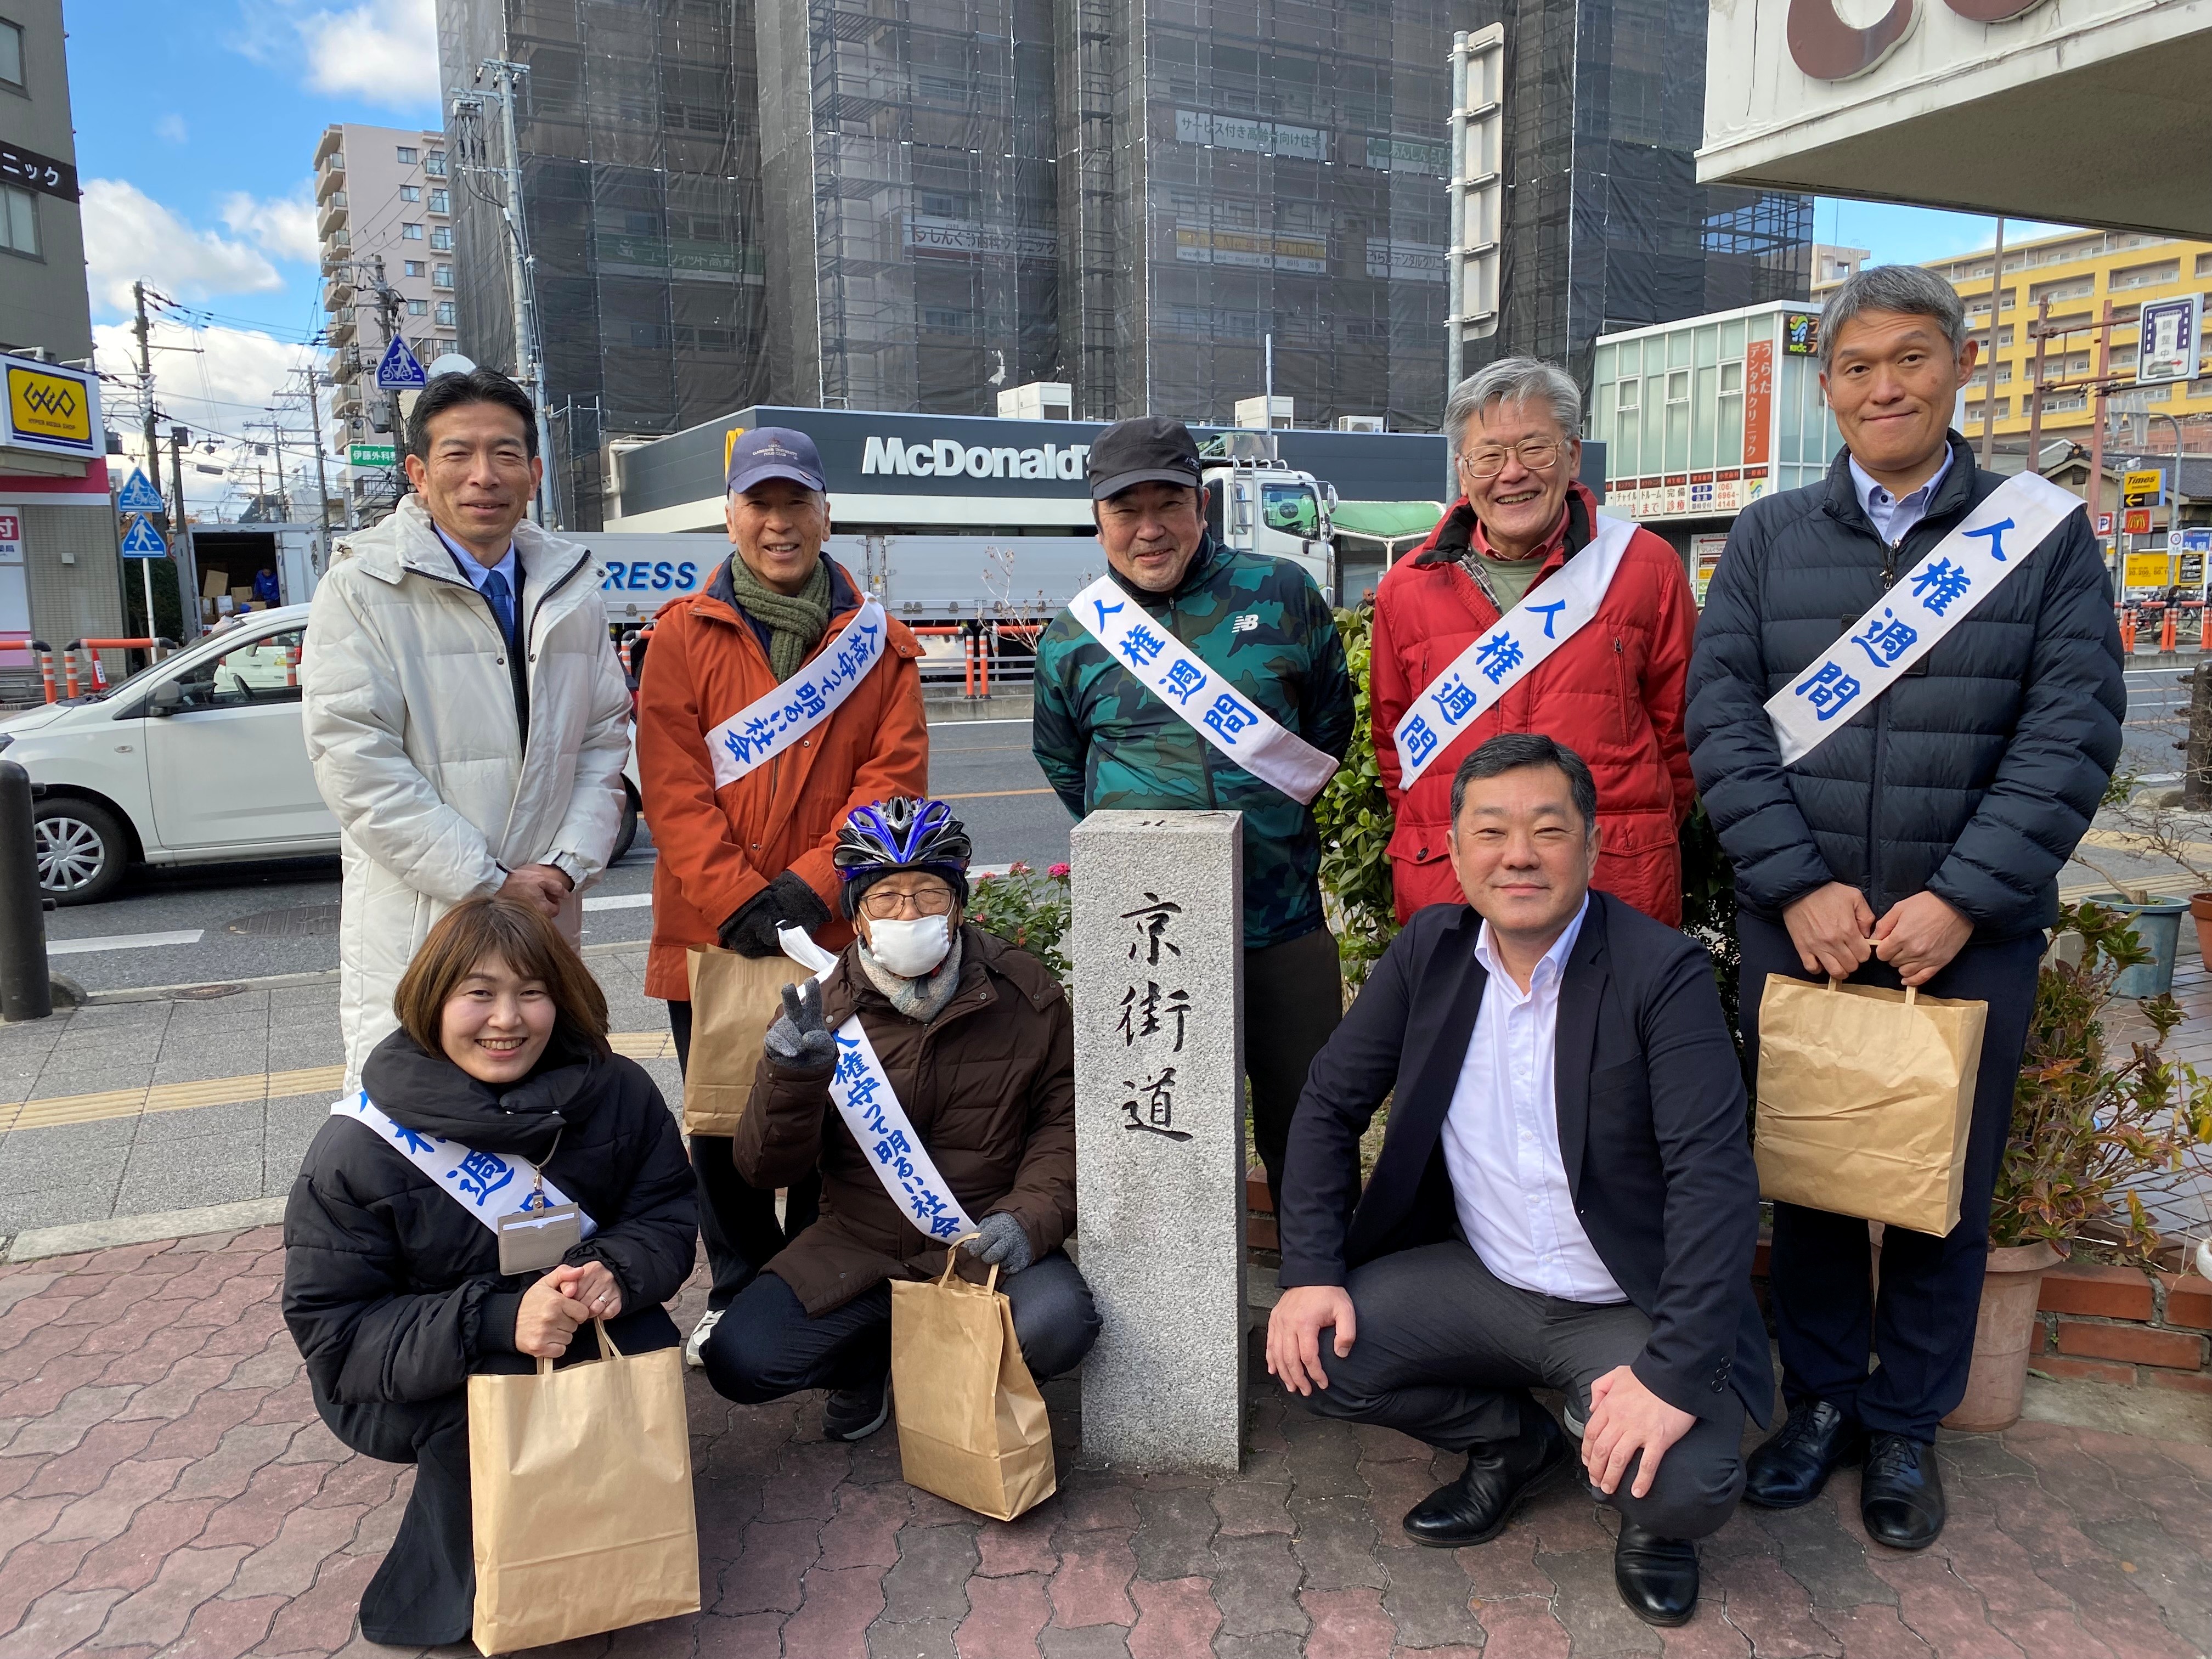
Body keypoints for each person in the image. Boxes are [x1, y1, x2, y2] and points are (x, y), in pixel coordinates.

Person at [1687, 263, 2125, 1550]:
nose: (1887, 385)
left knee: (1945, 1184)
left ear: (1960, 368)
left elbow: (2069, 734)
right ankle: (1821, 1401)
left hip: (1967, 932)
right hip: (1803, 925)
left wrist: (1960, 897)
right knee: (1818, 1178)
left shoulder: (2040, 536)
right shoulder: (1768, 538)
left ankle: (1910, 1426)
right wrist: (1795, 884)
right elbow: (1722, 726)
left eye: (1912, 359)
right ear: (1826, 387)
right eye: (1859, 365)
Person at [1268, 734, 1768, 1628]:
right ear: (1455, 852)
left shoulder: (1661, 974)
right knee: (1316, 1357)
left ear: (1592, 845)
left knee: (1688, 1486)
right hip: (1482, 1279)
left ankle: (1645, 1514)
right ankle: (1512, 1440)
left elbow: (1713, 1180)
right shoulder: (1432, 950)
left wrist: (1667, 1372)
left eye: (1546, 828)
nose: (1518, 854)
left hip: (1621, 1298)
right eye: (1490, 831)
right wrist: (1308, 1270)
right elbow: (1327, 1102)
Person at [281, 897, 696, 1648]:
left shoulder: (619, 1092)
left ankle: (604, 1539)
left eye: (531, 992)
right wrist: (499, 1321)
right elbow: (336, 1337)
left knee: (643, 1352)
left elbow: (668, 1210)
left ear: (561, 999)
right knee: (485, 1409)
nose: (506, 1018)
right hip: (416, 1373)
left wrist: (618, 1269)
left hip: (578, 1320)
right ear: (430, 1001)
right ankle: (451, 1599)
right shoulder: (357, 1148)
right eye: (478, 993)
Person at [635, 427, 929, 1365]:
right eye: (759, 503)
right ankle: (737, 1288)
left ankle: (812, 1297)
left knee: (829, 1125)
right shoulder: (682, 636)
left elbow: (894, 779)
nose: (777, 522)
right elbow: (671, 784)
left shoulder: (877, 643)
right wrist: (734, 898)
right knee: (722, 1127)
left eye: (795, 502)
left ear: (825, 513)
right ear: (730, 515)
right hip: (710, 931)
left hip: (831, 928)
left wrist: (804, 887)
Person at [1032, 415, 1357, 1215]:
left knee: (1311, 1134)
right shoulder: (1073, 638)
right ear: (1098, 519)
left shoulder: (1281, 595)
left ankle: (1325, 1304)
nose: (1149, 529)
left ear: (1201, 503)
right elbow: (1067, 766)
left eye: (1168, 503)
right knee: (1164, 1141)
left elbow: (1326, 732)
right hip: (1152, 940)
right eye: (1125, 509)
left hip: (1280, 926)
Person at [701, 795, 1097, 1439]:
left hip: (982, 1237)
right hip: (858, 1243)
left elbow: (1065, 1124)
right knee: (740, 1360)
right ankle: (871, 1364)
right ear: (857, 916)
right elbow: (764, 1168)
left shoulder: (1025, 993)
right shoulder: (814, 1011)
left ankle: (947, 1371)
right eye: (886, 897)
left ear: (959, 906)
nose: (907, 913)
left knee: (1058, 1326)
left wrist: (1027, 1219)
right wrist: (791, 1078)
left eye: (927, 895)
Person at [303, 368, 633, 1092]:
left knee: (543, 1115)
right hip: (423, 923)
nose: (483, 475)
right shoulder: (362, 588)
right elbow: (355, 763)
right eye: (458, 454)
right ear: (419, 473)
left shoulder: (570, 588)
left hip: (543, 912)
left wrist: (563, 868)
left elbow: (605, 741)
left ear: (535, 472)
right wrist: (489, 883)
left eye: (506, 454)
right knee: (421, 1131)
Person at [1370, 358, 1696, 927]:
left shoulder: (1647, 567)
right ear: (1463, 471)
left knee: (1609, 1020)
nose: (1512, 473)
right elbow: (1396, 746)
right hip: (1451, 884)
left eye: (1535, 449)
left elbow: (1682, 738)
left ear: (1572, 455)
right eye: (1489, 456)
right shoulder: (1407, 587)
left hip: (1614, 881)